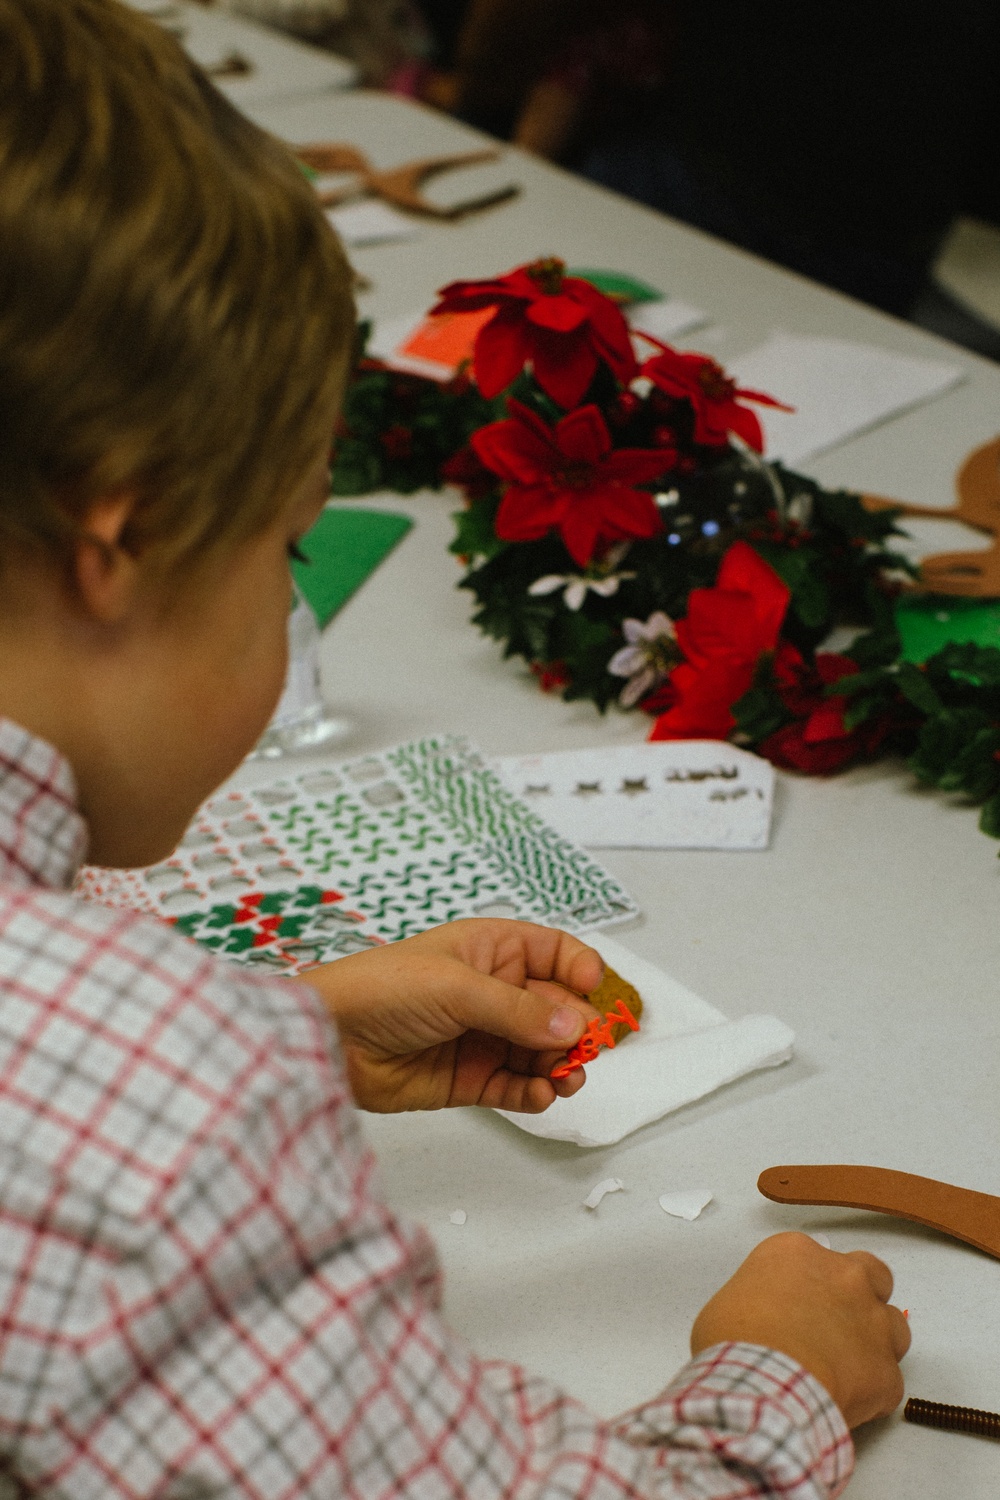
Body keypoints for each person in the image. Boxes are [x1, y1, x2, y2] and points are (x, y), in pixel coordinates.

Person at [0, 2, 909, 1495]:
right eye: (283, 548)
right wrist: (782, 1377)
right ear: (129, 532)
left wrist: (291, 1014)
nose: (293, 597)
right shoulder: (161, 1112)